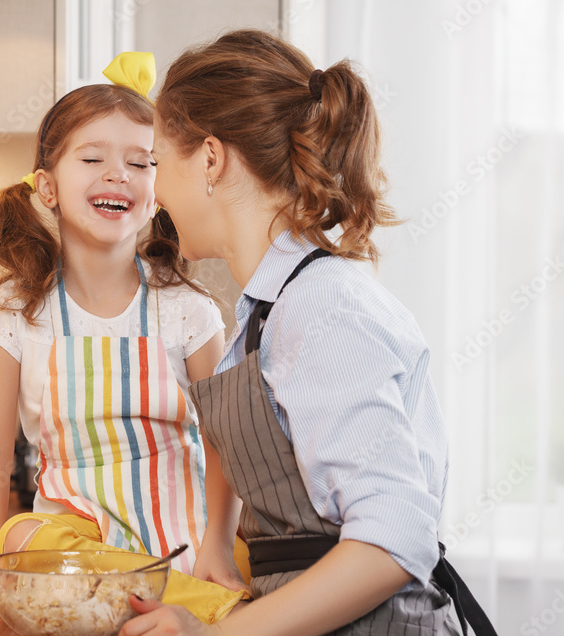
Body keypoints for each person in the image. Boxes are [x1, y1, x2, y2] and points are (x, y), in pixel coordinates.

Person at [121, 30, 497, 636]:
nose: (155, 192)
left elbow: (393, 540)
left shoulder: (323, 309)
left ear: (211, 159)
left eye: (159, 164)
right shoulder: (268, 311)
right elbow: (307, 548)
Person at [0, 53, 249, 622]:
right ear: (47, 187)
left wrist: (216, 543)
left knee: (237, 554)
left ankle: (180, 598)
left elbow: (223, 439)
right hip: (76, 545)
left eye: (141, 163)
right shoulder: (15, 311)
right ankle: (211, 613)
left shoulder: (187, 309)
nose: (119, 174)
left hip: (188, 534)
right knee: (21, 539)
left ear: (158, 192)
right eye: (93, 158)